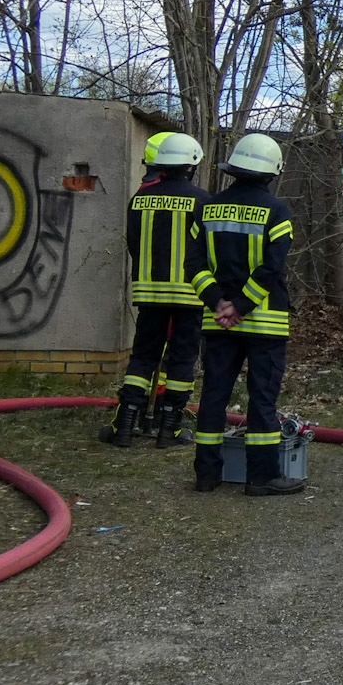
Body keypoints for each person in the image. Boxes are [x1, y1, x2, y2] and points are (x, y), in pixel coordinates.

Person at [190, 133, 305, 496]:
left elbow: (193, 264)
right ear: (272, 172)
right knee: (262, 399)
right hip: (265, 323)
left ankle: (206, 475)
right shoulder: (277, 212)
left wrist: (218, 303)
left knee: (213, 395)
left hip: (218, 323)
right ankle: (261, 477)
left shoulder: (207, 208)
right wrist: (240, 306)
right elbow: (271, 268)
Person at [105, 132, 209, 449]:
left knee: (143, 357)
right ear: (190, 166)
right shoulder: (202, 200)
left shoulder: (139, 199)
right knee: (181, 359)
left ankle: (124, 425)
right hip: (189, 294)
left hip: (149, 292)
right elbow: (207, 248)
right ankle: (169, 429)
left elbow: (133, 243)